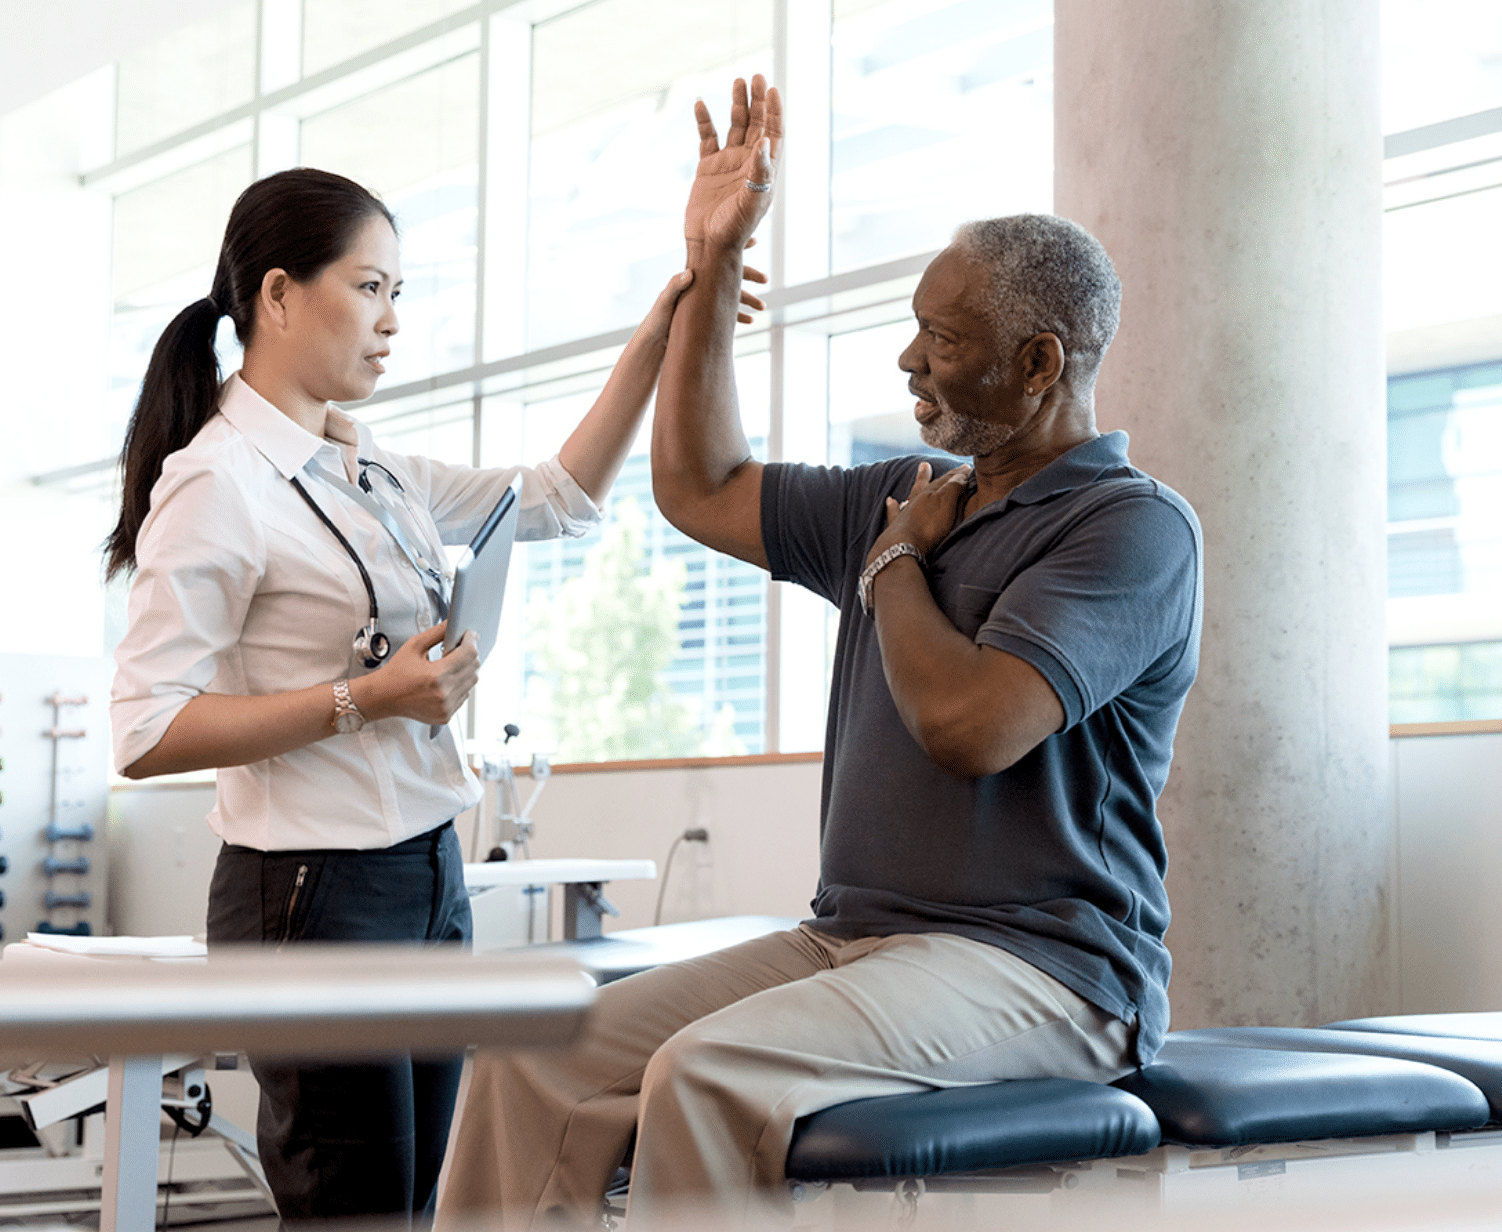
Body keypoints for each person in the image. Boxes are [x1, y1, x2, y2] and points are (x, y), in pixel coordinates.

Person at [438, 76, 1203, 1230]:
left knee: (706, 1070)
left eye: (941, 339)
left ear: (1040, 363)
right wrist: (712, 259)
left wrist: (894, 567)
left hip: (1044, 972)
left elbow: (974, 726)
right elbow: (700, 486)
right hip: (847, 939)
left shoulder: (1130, 525)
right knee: (535, 1053)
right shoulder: (904, 494)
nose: (907, 360)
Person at [105, 167, 762, 1225]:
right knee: (352, 1207)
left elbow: (555, 497)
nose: (392, 322)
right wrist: (364, 698)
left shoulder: (370, 468)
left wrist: (665, 324)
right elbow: (144, 729)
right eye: (370, 288)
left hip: (424, 873)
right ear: (277, 295)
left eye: (398, 293)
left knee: (425, 1202)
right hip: (308, 896)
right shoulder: (217, 483)